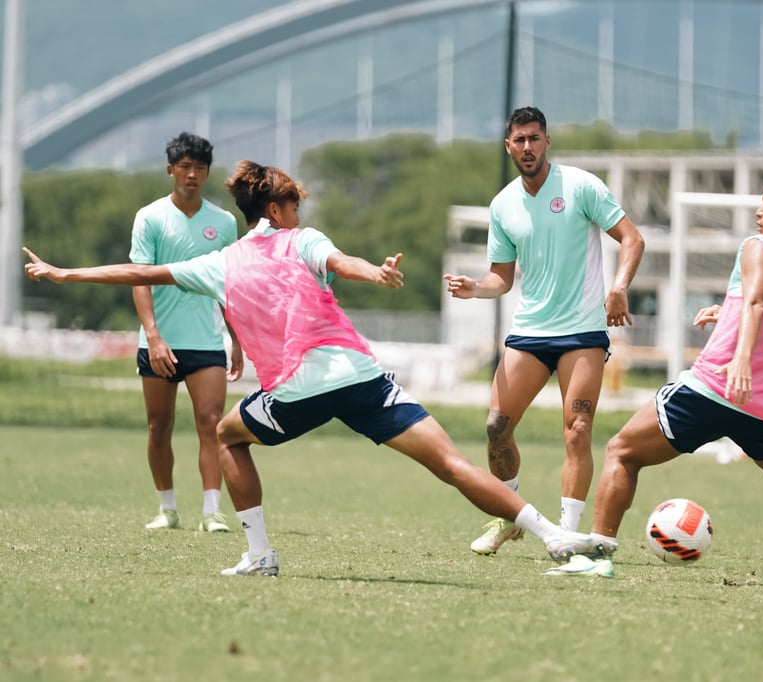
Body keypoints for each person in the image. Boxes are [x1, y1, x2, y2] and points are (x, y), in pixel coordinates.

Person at [24, 160, 599, 577]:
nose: (299, 214)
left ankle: (259, 554)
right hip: (361, 377)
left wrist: (65, 274)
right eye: (294, 205)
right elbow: (343, 263)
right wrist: (376, 272)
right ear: (275, 210)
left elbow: (140, 273)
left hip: (298, 391)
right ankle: (552, 535)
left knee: (226, 435)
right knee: (451, 464)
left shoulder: (220, 262)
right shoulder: (302, 240)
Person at [546, 169, 763, 592]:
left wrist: (740, 360)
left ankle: (599, 556)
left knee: (621, 452)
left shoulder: (759, 246)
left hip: (713, 389)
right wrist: (726, 313)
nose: (759, 211)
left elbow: (758, 302)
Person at [444, 106, 645, 557]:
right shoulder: (502, 205)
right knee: (496, 427)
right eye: (520, 140)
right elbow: (501, 278)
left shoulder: (581, 186)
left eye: (535, 138)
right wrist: (475, 288)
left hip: (582, 332)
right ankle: (509, 516)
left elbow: (632, 239)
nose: (528, 147)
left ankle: (567, 533)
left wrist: (618, 288)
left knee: (577, 429)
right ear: (508, 146)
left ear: (547, 142)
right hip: (531, 333)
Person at [130, 131, 243, 533]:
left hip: (206, 342)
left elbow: (228, 285)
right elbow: (139, 279)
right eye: (184, 167)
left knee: (212, 423)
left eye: (199, 167)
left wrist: (237, 340)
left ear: (208, 172)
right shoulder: (150, 218)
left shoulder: (224, 223)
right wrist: (153, 336)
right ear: (170, 170)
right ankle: (167, 509)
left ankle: (212, 512)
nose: (192, 174)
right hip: (159, 342)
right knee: (158, 426)